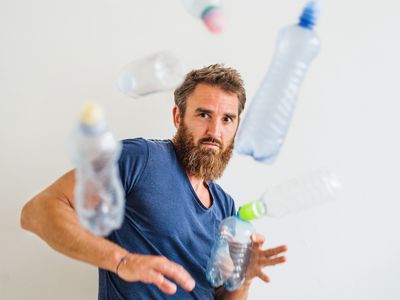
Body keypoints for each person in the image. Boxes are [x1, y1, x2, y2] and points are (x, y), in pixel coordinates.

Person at [20, 64, 287, 299]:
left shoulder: (226, 208)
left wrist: (243, 279)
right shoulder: (139, 159)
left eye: (227, 119)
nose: (214, 131)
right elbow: (37, 211)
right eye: (203, 114)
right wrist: (122, 260)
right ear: (177, 117)